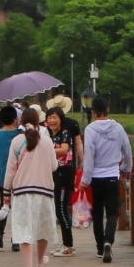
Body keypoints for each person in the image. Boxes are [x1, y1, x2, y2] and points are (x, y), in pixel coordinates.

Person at [3, 117, 60, 267]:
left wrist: (6, 192)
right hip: (44, 191)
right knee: (42, 228)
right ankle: (41, 262)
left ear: (20, 121)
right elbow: (54, 166)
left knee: (24, 229)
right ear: (38, 122)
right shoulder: (47, 141)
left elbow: (11, 170)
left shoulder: (16, 140)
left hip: (22, 191)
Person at [80, 97, 132, 263]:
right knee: (112, 212)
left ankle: (99, 247)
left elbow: (89, 156)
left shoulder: (90, 130)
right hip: (112, 175)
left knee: (97, 213)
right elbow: (127, 151)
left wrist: (85, 179)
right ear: (107, 110)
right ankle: (109, 240)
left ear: (93, 112)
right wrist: (126, 169)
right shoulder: (118, 128)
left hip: (95, 177)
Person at [44, 101, 83, 257]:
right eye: (49, 118)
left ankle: (69, 246)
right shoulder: (49, 135)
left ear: (61, 118)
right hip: (55, 174)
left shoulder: (65, 132)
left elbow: (65, 150)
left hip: (64, 173)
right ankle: (66, 243)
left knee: (61, 210)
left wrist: (47, 151)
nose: (52, 121)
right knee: (59, 210)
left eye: (55, 117)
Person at [0, 104, 22, 192]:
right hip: (19, 174)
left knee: (4, 203)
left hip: (2, 174)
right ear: (15, 119)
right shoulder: (21, 134)